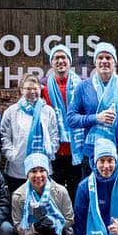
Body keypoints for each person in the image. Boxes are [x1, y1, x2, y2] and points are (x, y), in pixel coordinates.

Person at [67, 42, 118, 172]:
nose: (104, 61)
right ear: (95, 62)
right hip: (92, 151)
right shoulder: (83, 88)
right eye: (100, 58)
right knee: (93, 191)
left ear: (115, 62)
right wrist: (96, 118)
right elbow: (71, 119)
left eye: (108, 58)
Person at [11, 153, 74, 235]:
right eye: (33, 171)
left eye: (42, 170)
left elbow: (70, 219)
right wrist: (35, 228)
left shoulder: (60, 191)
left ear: (48, 172)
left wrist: (54, 223)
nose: (38, 175)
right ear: (27, 174)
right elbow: (17, 226)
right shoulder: (18, 196)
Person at [1, 74, 61, 194]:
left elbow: (54, 136)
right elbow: (4, 136)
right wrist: (12, 155)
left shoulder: (48, 111)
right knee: (19, 203)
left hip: (42, 168)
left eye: (35, 88)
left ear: (40, 89)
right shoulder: (12, 111)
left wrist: (50, 152)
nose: (32, 92)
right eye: (28, 89)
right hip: (18, 169)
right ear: (21, 90)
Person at [41, 45, 85, 195]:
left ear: (69, 61)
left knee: (76, 190)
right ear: (51, 62)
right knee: (56, 192)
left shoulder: (82, 85)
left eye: (63, 57)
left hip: (77, 148)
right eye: (56, 58)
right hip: (55, 148)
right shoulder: (44, 87)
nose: (60, 61)